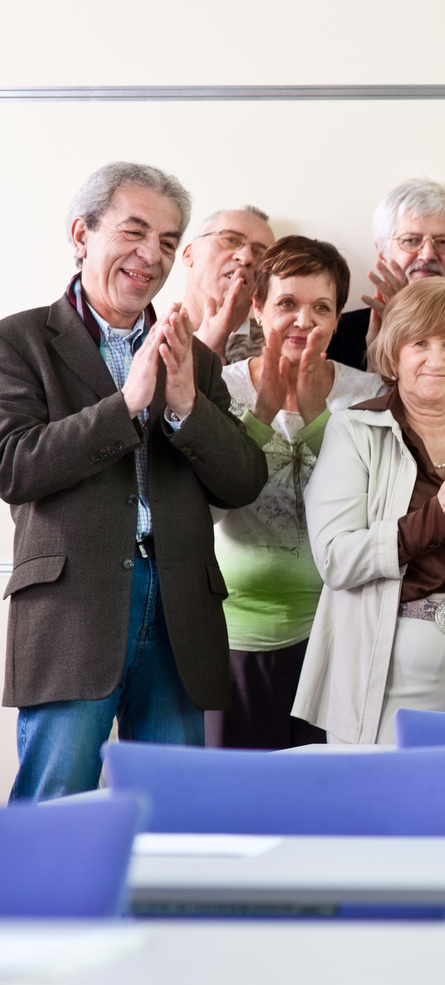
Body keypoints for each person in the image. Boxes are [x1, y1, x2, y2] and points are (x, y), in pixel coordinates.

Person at [0, 162, 268, 801]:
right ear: (82, 234)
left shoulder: (195, 356)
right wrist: (125, 405)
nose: (152, 256)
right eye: (134, 232)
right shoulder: (19, 340)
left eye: (169, 242)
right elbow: (14, 465)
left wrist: (184, 407)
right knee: (55, 804)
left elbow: (243, 482)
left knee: (174, 813)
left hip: (180, 608)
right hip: (74, 609)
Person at [294, 278, 445, 744]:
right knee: (381, 811)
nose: (436, 358)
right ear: (395, 355)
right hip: (381, 676)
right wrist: (442, 516)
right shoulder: (353, 431)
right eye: (420, 343)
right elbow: (335, 559)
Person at [206, 236, 385, 749]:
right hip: (233, 636)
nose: (304, 321)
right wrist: (259, 418)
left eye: (321, 308)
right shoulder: (222, 387)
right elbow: (209, 508)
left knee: (324, 803)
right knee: (238, 804)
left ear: (336, 318)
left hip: (335, 633)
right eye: (287, 304)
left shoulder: (368, 394)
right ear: (258, 310)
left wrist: (316, 420)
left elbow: (371, 511)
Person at [324, 178, 445, 371]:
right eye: (411, 240)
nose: (428, 254)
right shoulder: (339, 333)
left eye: (443, 242)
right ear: (382, 251)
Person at [180, 206, 275, 362]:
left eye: (261, 253)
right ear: (189, 254)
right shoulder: (144, 337)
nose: (246, 258)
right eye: (230, 240)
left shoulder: (279, 351)